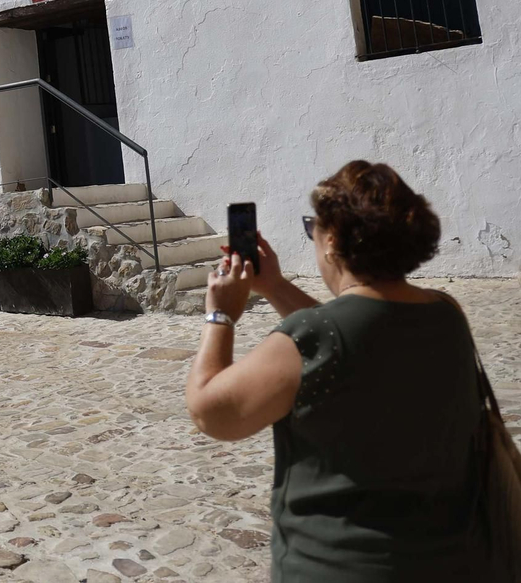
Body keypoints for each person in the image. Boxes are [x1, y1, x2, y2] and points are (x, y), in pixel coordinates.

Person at [184, 161, 486, 583]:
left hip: (338, 565)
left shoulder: (314, 334)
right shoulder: (445, 313)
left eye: (313, 228)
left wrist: (220, 317)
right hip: (448, 558)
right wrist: (273, 286)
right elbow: (351, 331)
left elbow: (210, 411)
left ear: (333, 241)